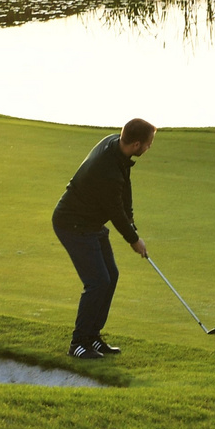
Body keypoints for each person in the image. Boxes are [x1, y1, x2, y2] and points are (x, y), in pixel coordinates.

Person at [50, 118, 154, 360]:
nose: (150, 147)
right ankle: (78, 343)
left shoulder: (114, 144)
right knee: (97, 282)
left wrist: (132, 223)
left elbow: (124, 190)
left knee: (111, 276)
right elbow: (115, 211)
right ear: (136, 144)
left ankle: (93, 337)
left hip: (90, 223)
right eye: (148, 144)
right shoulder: (106, 171)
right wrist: (133, 239)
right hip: (72, 224)